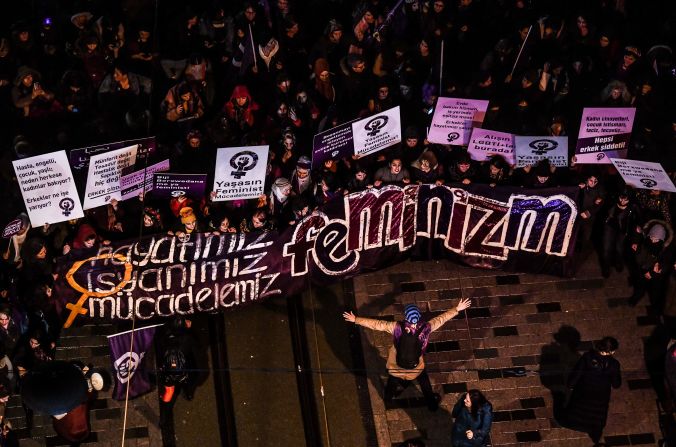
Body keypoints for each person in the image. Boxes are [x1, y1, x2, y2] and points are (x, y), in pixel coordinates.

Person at [343, 297, 471, 411]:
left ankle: (388, 399)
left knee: (392, 381)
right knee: (424, 383)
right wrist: (457, 309)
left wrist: (356, 319)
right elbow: (441, 319)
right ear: (418, 317)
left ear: (406, 317)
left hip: (398, 365)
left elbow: (377, 325)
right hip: (416, 366)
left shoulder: (396, 327)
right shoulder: (426, 328)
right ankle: (432, 405)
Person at [562, 336, 621, 446]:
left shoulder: (587, 357)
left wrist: (570, 385)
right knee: (597, 418)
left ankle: (574, 423)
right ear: (612, 351)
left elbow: (577, 373)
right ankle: (595, 437)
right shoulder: (614, 365)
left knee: (580, 410)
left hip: (583, 392)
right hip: (601, 397)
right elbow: (616, 384)